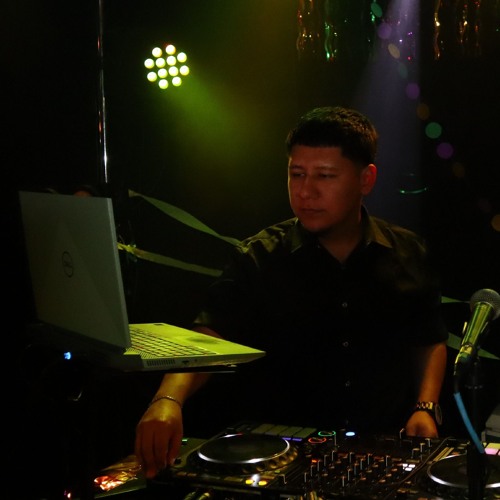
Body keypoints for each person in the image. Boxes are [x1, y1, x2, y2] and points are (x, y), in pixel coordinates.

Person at [134, 106, 449, 479]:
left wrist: (425, 406)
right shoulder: (259, 256)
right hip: (280, 454)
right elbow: (210, 334)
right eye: (296, 174)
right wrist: (168, 399)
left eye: (325, 176)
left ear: (366, 179)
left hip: (382, 445)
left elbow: (428, 339)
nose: (305, 191)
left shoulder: (408, 252)